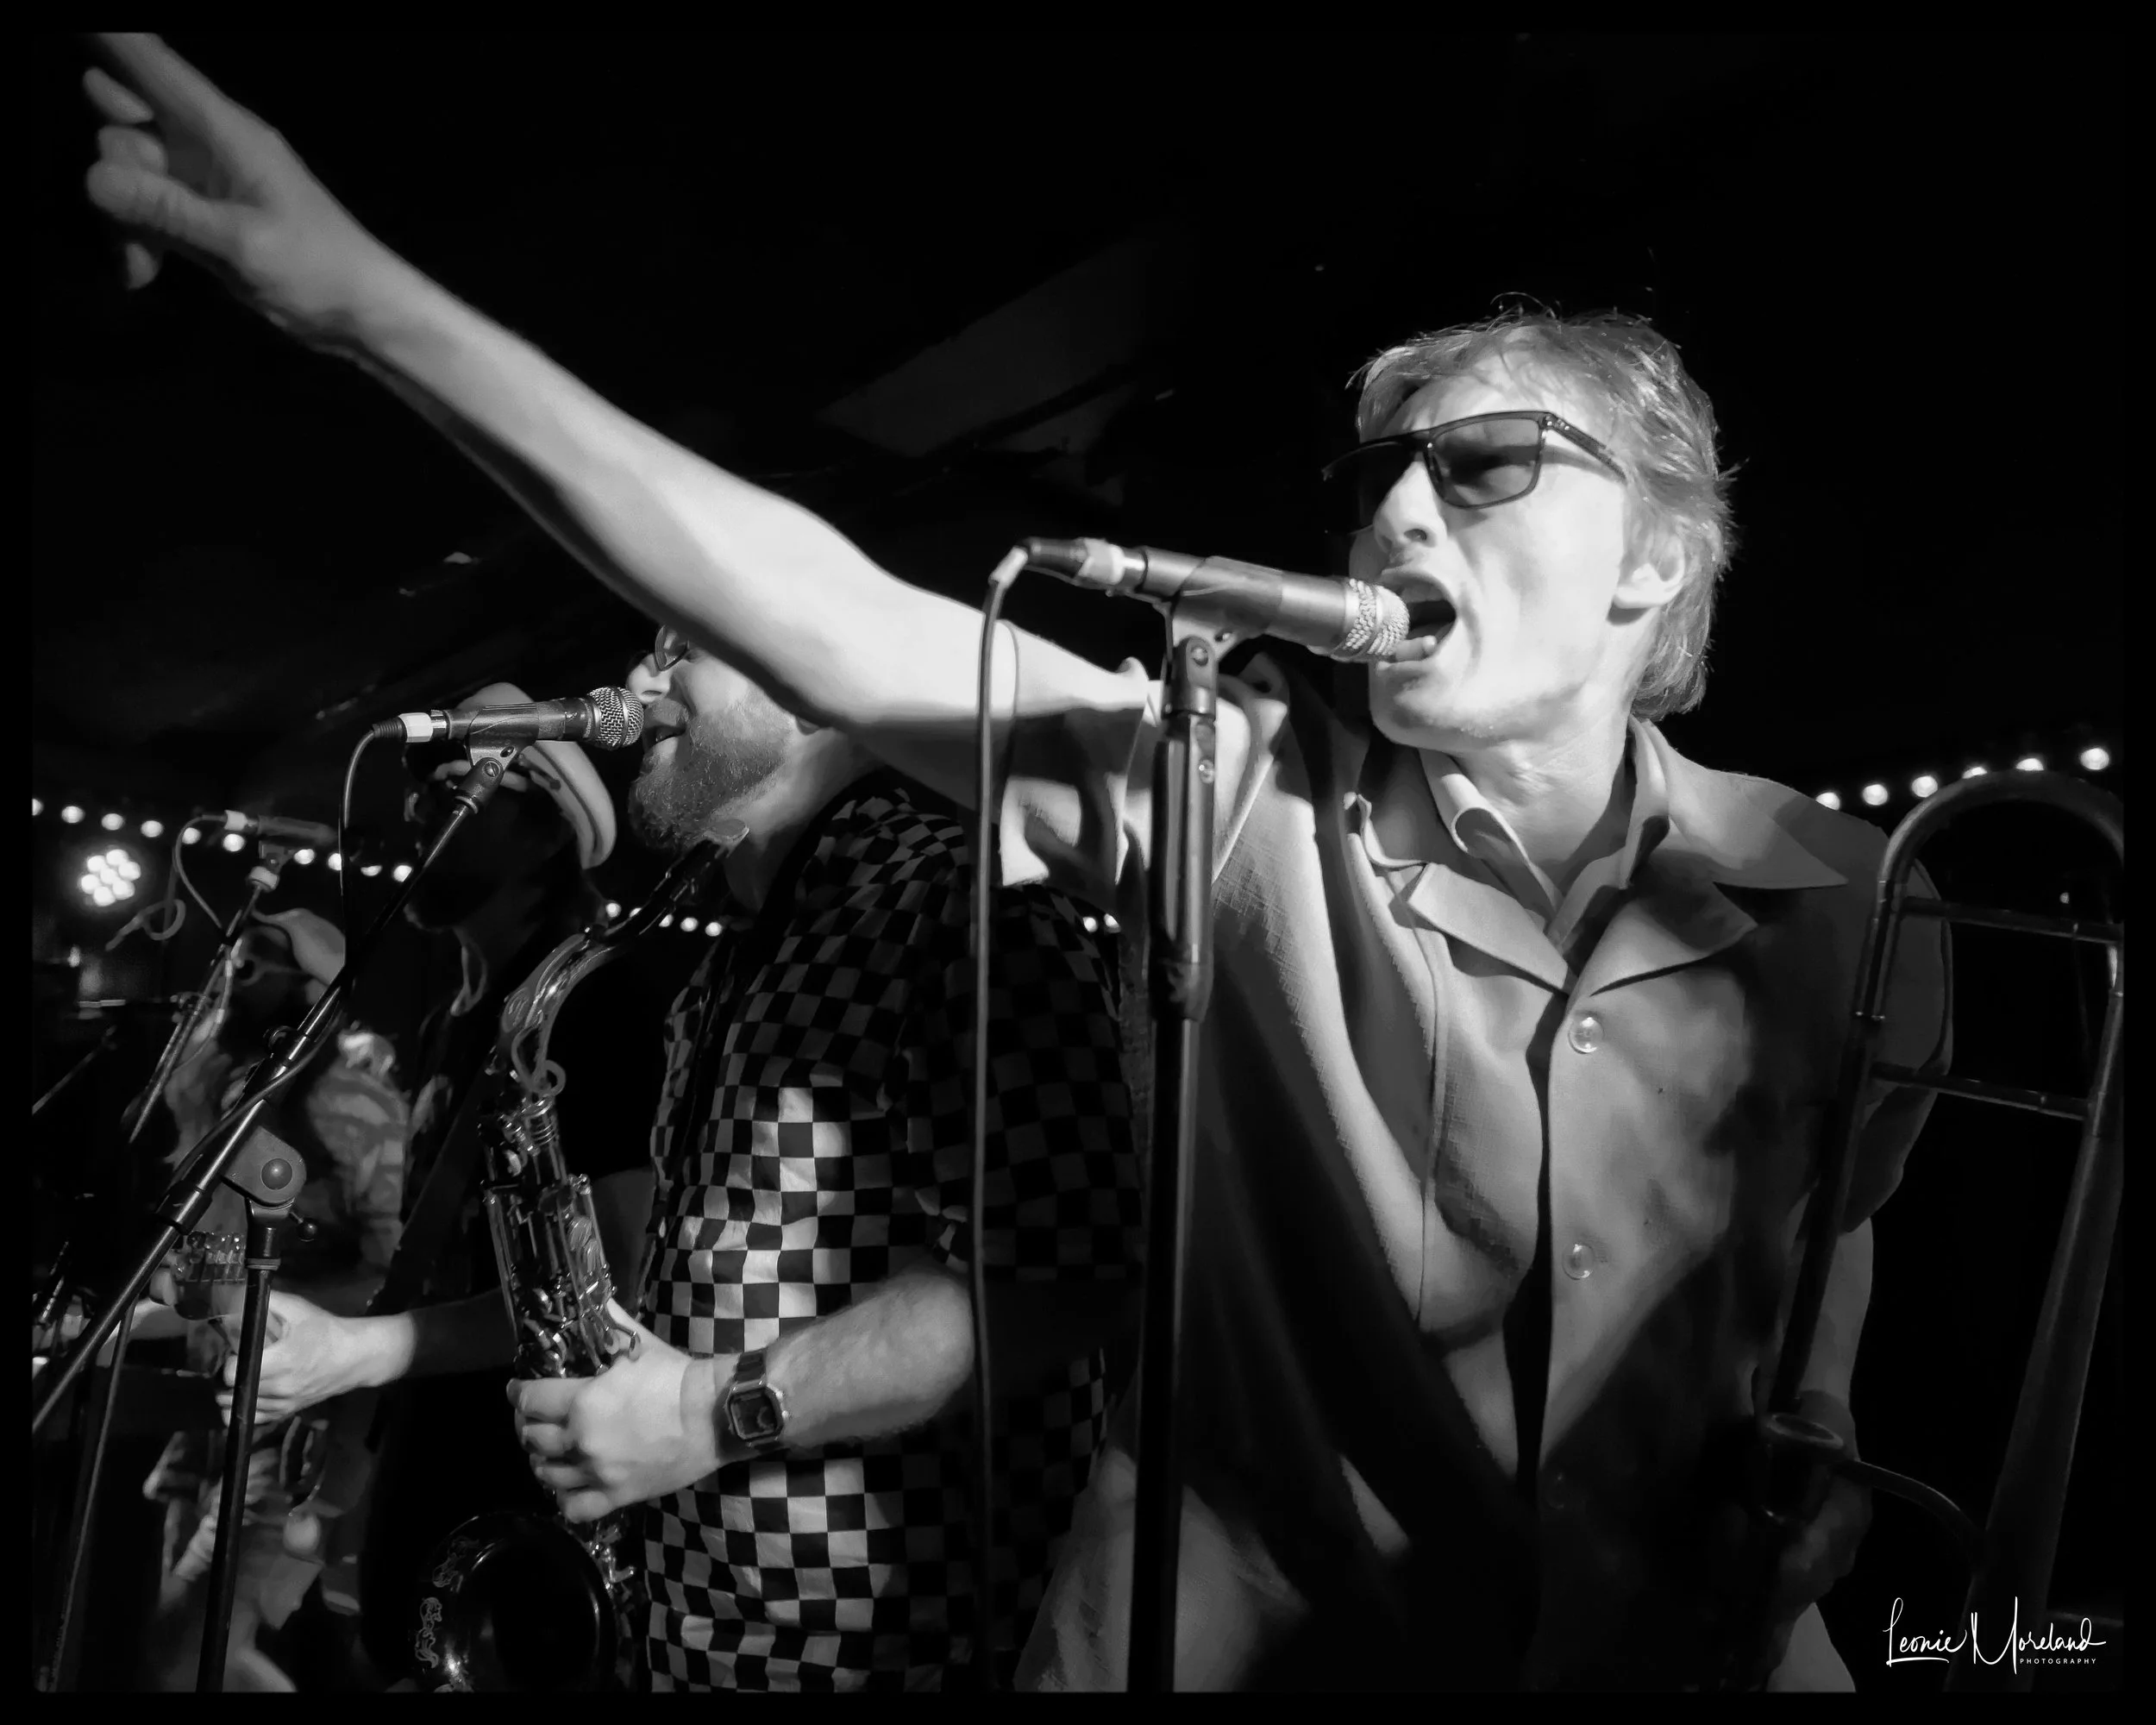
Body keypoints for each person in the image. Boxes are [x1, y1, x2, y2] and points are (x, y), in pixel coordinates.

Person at [79, 34, 1952, 1691]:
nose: (1394, 506)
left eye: (1482, 467)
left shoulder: (1861, 900)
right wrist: (359, 299)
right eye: (1380, 472)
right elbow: (812, 605)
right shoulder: (1237, 796)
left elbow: (1828, 1235)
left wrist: (1815, 1436)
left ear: (1654, 558)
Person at [495, 631, 1141, 1690]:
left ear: (803, 685)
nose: (640, 681)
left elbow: (1063, 1279)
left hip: (887, 1656)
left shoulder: (968, 900)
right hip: (694, 1632)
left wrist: (703, 1413)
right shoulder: (731, 963)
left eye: (679, 646)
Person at [231, 684, 693, 1687]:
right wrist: (353, 1404)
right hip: (427, 1438)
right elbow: (428, 1252)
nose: (417, 816)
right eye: (420, 798)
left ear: (544, 833)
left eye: (455, 795)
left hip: (527, 1463)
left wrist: (370, 1353)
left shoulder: (597, 999)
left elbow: (618, 1269)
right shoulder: (457, 1013)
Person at [135, 913, 409, 1692]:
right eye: (232, 962)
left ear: (309, 993)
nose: (227, 982)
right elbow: (209, 1283)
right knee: (181, 1655)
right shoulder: (227, 1094)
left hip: (298, 1416)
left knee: (190, 1643)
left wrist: (272, 1302)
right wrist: (107, 1324)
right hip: (212, 1405)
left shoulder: (355, 1106)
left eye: (251, 969)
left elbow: (395, 1272)